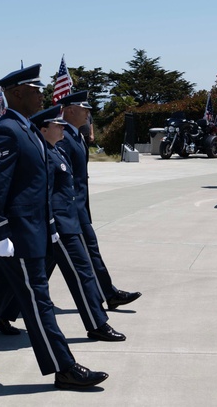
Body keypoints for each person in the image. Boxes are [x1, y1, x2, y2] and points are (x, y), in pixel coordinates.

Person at [0, 64, 108, 390]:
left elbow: (35, 185)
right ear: (17, 93)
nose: (41, 95)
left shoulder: (25, 128)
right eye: (35, 90)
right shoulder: (7, 130)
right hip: (15, 235)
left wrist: (48, 225)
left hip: (30, 231)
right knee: (38, 302)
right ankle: (64, 368)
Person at [33, 104, 125, 343]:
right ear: (43, 130)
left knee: (32, 276)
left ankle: (3, 313)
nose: (62, 127)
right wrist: (52, 224)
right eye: (57, 124)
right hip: (60, 223)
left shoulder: (57, 150)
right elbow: (45, 194)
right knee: (81, 272)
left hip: (70, 218)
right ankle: (97, 323)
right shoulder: (47, 153)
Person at [58, 91, 141, 310]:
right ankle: (108, 294)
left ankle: (108, 293)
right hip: (71, 209)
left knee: (60, 257)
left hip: (79, 207)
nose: (88, 114)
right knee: (86, 253)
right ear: (70, 110)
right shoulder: (63, 138)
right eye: (84, 109)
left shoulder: (75, 135)